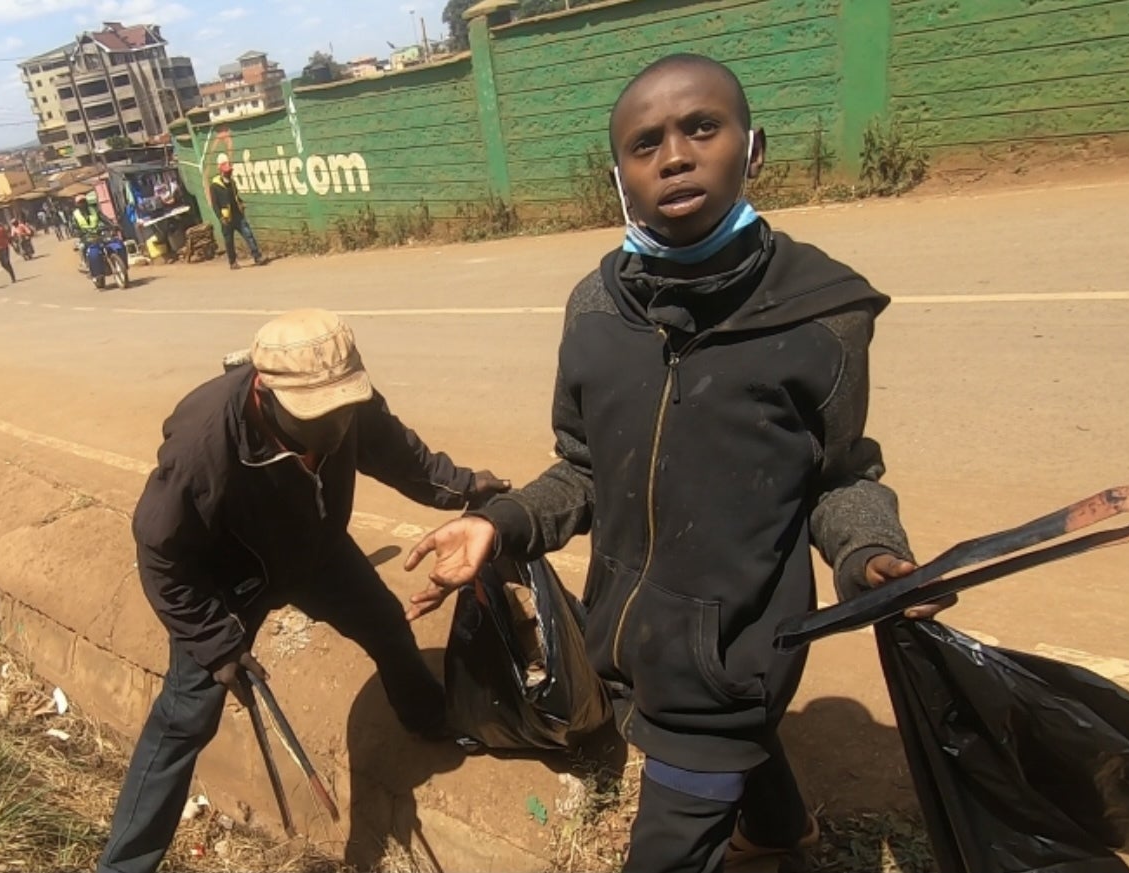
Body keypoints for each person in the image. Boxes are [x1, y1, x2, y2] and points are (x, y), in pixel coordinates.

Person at [403, 55, 949, 873]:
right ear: (618, 175)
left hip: (737, 655)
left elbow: (839, 475)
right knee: (728, 751)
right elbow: (582, 469)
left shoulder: (822, 314)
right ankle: (778, 828)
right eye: (645, 143)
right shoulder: (595, 310)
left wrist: (869, 553)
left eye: (702, 128)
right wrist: (499, 522)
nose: (676, 157)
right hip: (632, 637)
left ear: (752, 149)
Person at [95, 309, 509, 873]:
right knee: (186, 718)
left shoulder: (345, 402)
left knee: (385, 623)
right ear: (265, 393)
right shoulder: (204, 444)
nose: (335, 427)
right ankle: (123, 866)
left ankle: (426, 716)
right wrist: (215, 643)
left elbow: (395, 452)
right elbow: (161, 555)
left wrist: (461, 486)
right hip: (225, 578)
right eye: (318, 414)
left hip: (314, 549)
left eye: (344, 409)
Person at [208, 155, 264, 269]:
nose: (229, 173)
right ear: (221, 171)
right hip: (226, 218)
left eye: (229, 171)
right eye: (227, 172)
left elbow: (236, 196)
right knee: (229, 241)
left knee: (248, 234)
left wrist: (241, 203)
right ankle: (232, 262)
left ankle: (257, 256)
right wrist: (220, 217)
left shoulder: (232, 183)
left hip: (237, 215)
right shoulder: (215, 186)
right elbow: (215, 204)